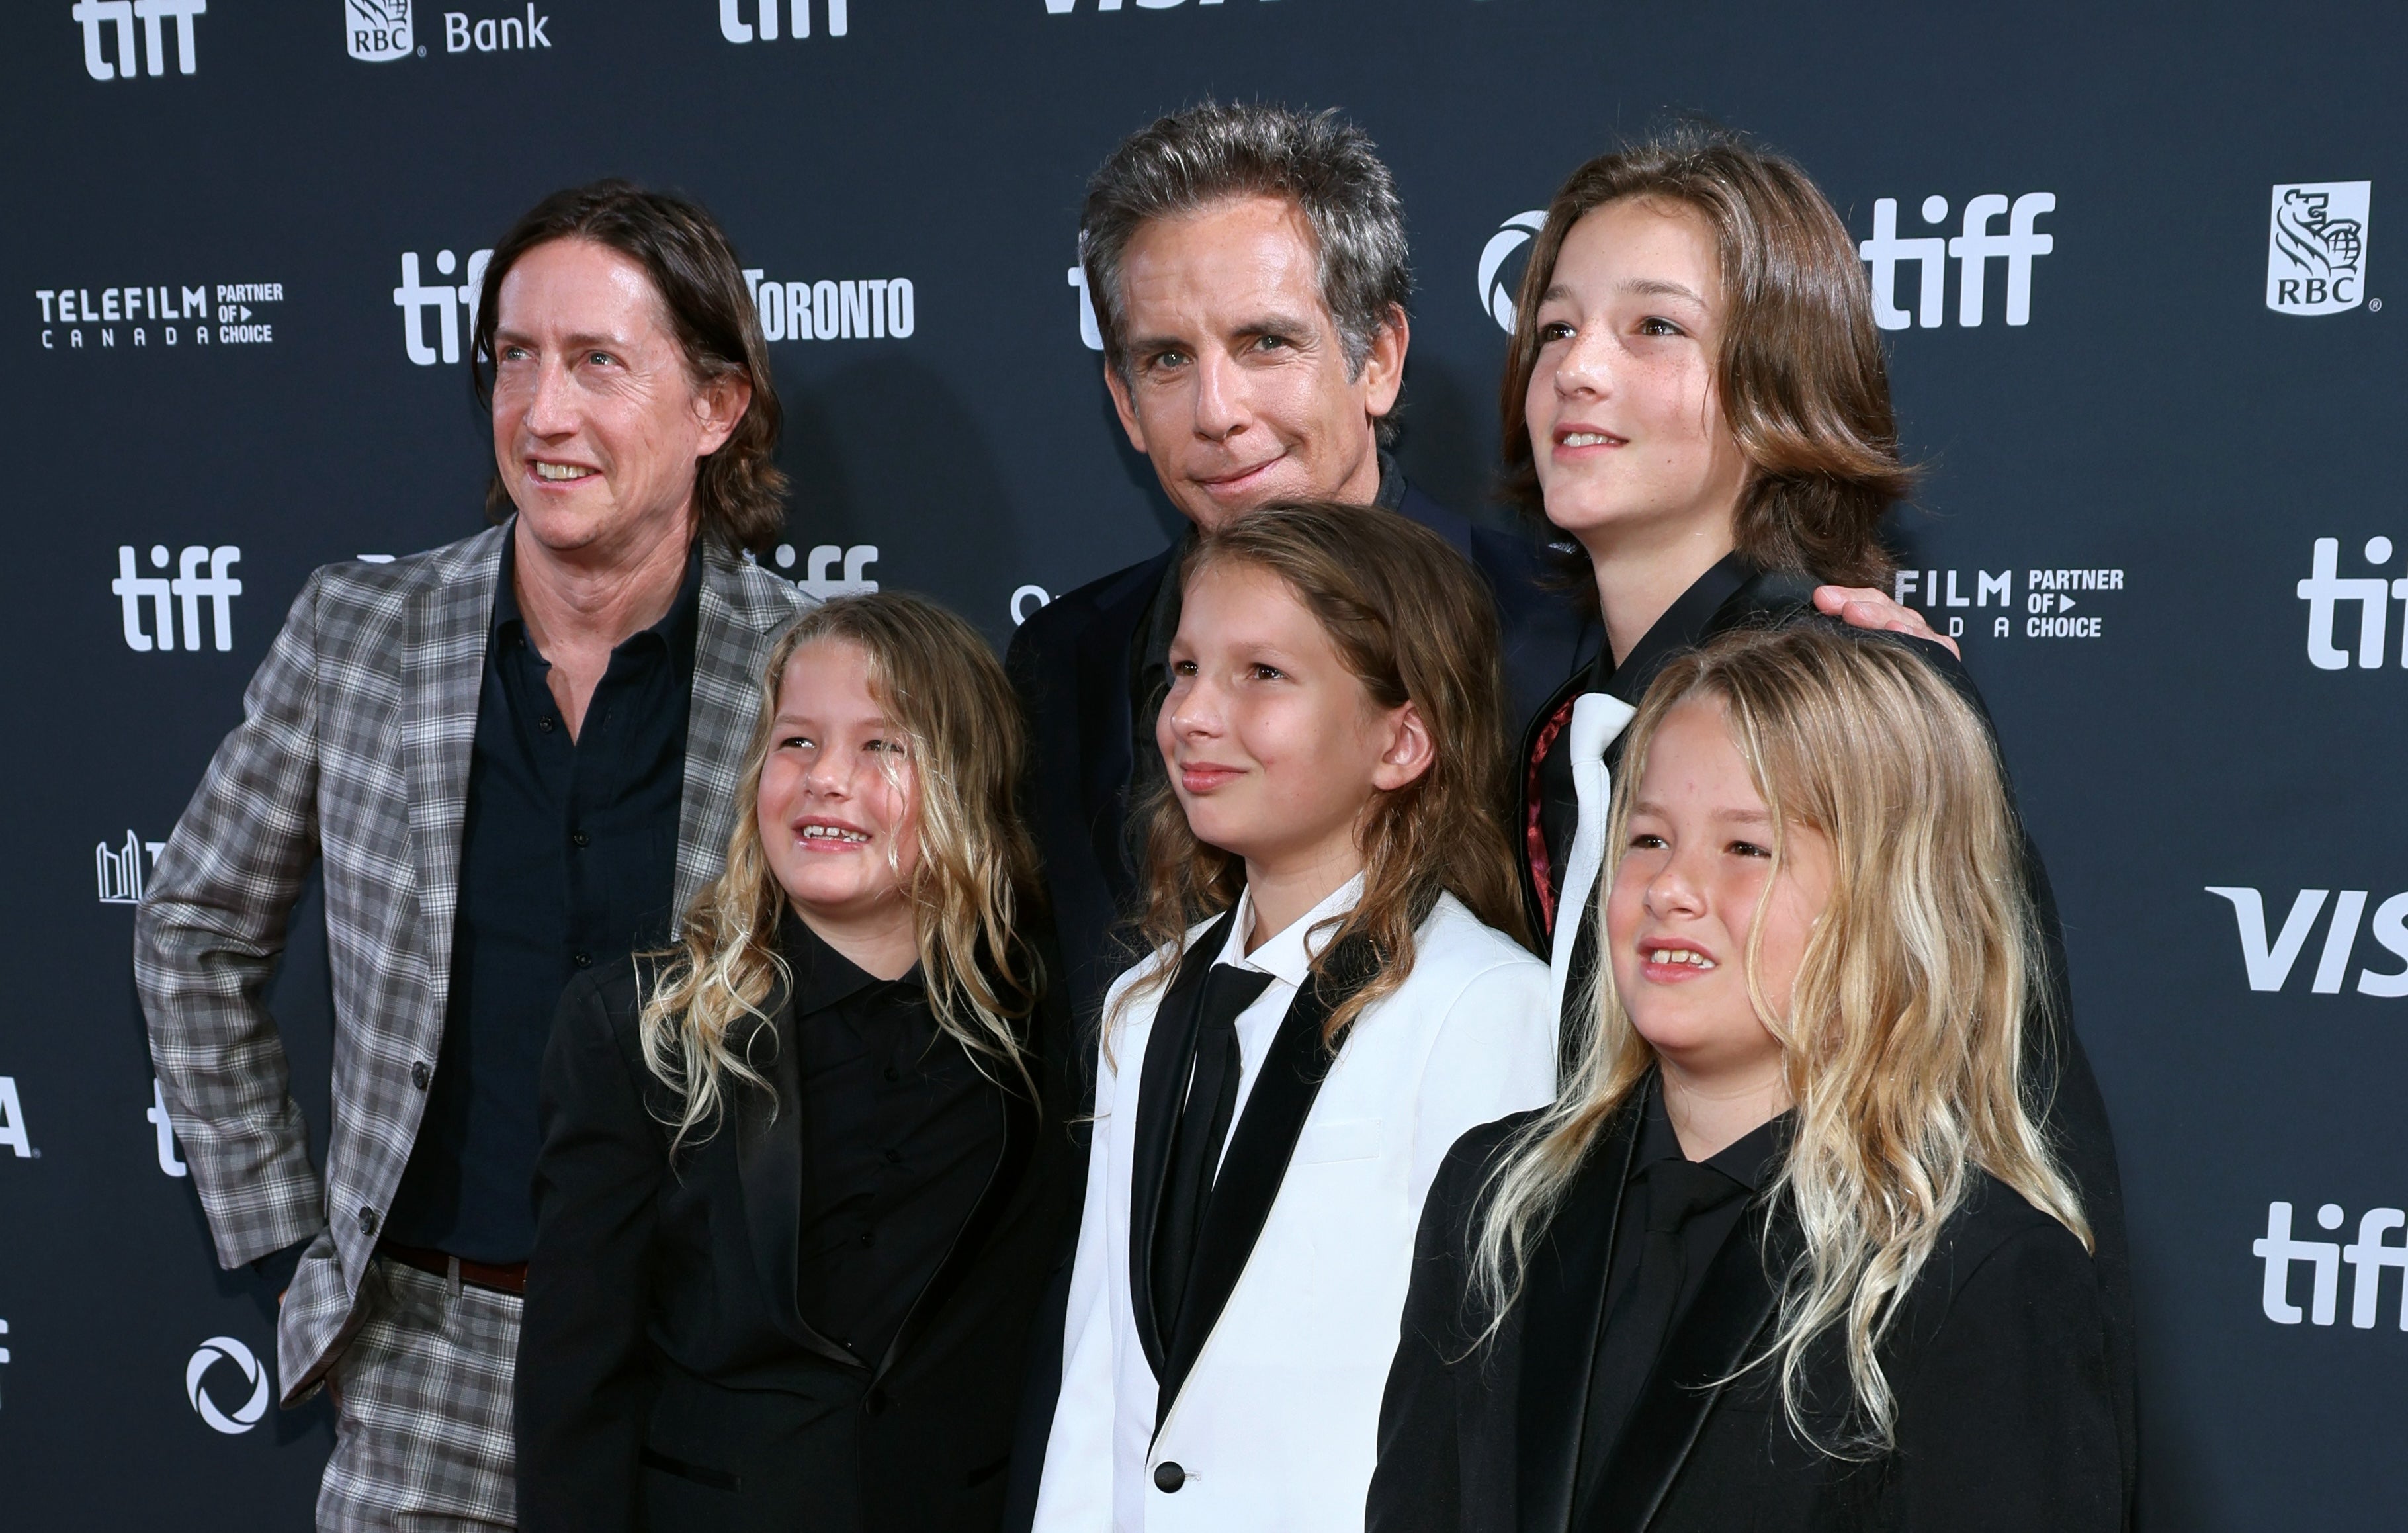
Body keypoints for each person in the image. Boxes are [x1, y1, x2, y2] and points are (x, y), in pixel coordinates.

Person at [134, 180, 809, 1528]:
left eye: (598, 364)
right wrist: (286, 1242)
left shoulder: (812, 671)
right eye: (514, 358)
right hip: (424, 1365)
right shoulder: (359, 632)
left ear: (715, 408)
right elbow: (193, 929)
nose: (542, 413)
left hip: (706, 1373)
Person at [1498, 130, 2135, 1506]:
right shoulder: (1555, 721)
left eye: (1651, 327)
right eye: (1554, 328)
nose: (1576, 371)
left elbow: (2015, 1125)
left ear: (1778, 380)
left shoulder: (1861, 694)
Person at [1369, 623, 2123, 1532]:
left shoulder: (1975, 1274)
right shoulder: (1496, 1197)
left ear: (1891, 899)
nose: (1672, 887)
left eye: (1745, 850)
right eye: (1646, 837)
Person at [1006, 99, 1594, 1029]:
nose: (1218, 409)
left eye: (1265, 343)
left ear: (1379, 360)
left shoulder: (1561, 641)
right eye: (1166, 359)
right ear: (1123, 402)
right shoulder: (1059, 665)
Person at [1031, 501, 1555, 1532]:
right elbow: (1099, 1381)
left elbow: (1480, 1414)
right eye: (1183, 669)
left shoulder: (1486, 1009)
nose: (1191, 715)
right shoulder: (1143, 1007)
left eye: (1261, 675)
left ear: (1403, 737)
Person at [517, 593, 1080, 1532]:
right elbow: (577, 1389)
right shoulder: (639, 1028)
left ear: (964, 777)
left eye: (880, 746)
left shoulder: (1059, 1030)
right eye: (797, 742)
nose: (826, 779)